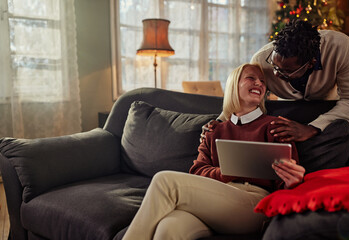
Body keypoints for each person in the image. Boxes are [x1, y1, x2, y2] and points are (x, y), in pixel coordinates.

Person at [122, 64, 305, 240]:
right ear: (234, 85)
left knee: (164, 181)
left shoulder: (275, 126)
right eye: (251, 78)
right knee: (168, 228)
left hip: (255, 204)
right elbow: (197, 172)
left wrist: (292, 182)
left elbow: (286, 179)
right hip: (213, 203)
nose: (259, 83)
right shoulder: (214, 130)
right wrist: (225, 172)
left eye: (262, 81)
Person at [203, 19, 349, 143]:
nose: (276, 75)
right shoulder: (261, 59)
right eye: (274, 65)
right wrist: (220, 121)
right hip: (287, 115)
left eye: (286, 71)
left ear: (310, 64)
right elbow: (246, 99)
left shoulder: (340, 47)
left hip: (328, 113)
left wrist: (313, 128)